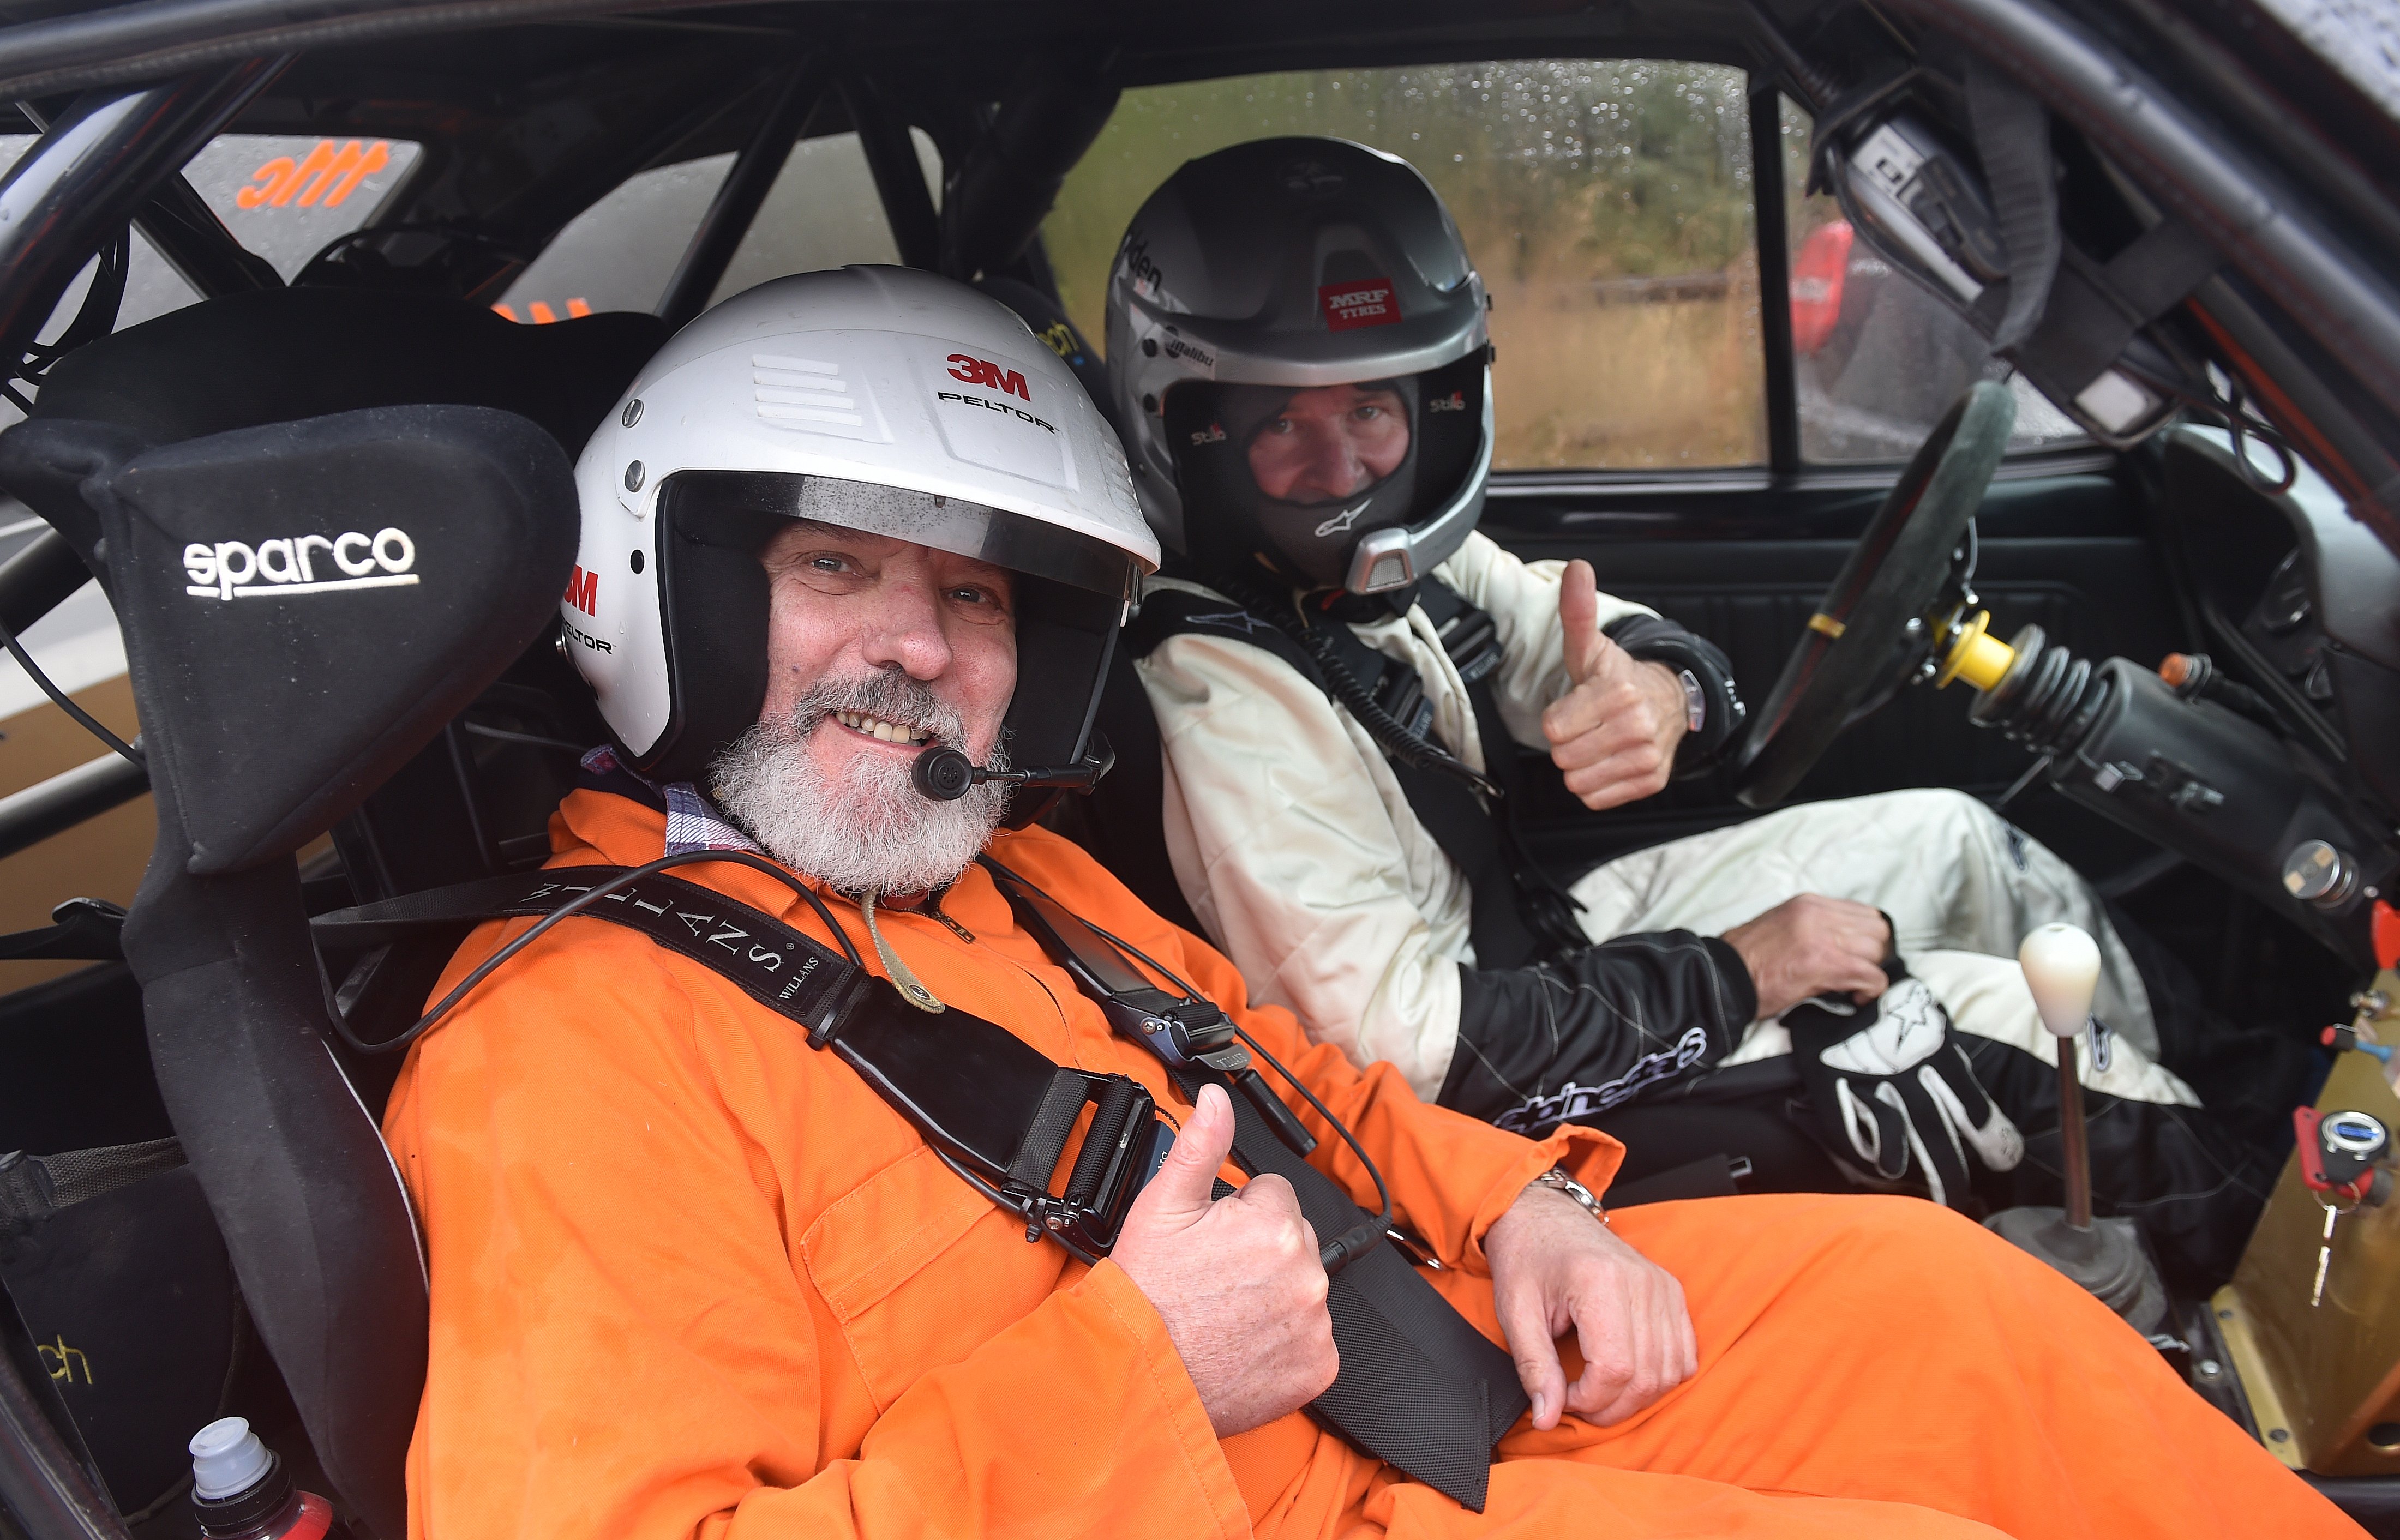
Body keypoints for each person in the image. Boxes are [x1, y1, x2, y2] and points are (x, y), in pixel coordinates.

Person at [382, 266, 2353, 1540]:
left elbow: (1320, 1088)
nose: (918, 646)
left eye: (978, 597)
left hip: (1424, 1355)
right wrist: (1135, 1378)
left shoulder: (1025, 884)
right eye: (838, 570)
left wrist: (1529, 1208)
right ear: (674, 591)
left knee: (1954, 1313)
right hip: (1251, 1500)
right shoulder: (564, 1056)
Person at [1096, 136, 2268, 1282]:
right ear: (1191, 432)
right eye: (1280, 429)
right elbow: (1412, 1063)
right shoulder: (1218, 687)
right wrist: (1740, 973)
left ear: (1435, 408)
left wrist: (1658, 689)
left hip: (1533, 953)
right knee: (2002, 1016)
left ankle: (2251, 1085)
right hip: (1481, 1093)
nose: (1344, 467)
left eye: (1372, 414)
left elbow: (1593, 634)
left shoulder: (1395, 566)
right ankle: (2273, 1241)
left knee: (1956, 836)